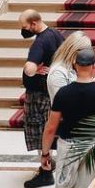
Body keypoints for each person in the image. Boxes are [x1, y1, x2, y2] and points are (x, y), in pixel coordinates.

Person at [35, 44, 95, 188]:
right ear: (94, 66)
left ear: (74, 65)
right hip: (93, 147)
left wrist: (45, 155)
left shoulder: (64, 93)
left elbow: (51, 128)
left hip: (68, 147)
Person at [17, 10, 64, 164]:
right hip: (51, 90)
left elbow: (30, 69)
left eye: (25, 26)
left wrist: (31, 69)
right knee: (49, 128)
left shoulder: (39, 43)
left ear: (34, 24)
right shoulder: (55, 34)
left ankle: (46, 166)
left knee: (39, 131)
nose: (23, 30)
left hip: (38, 94)